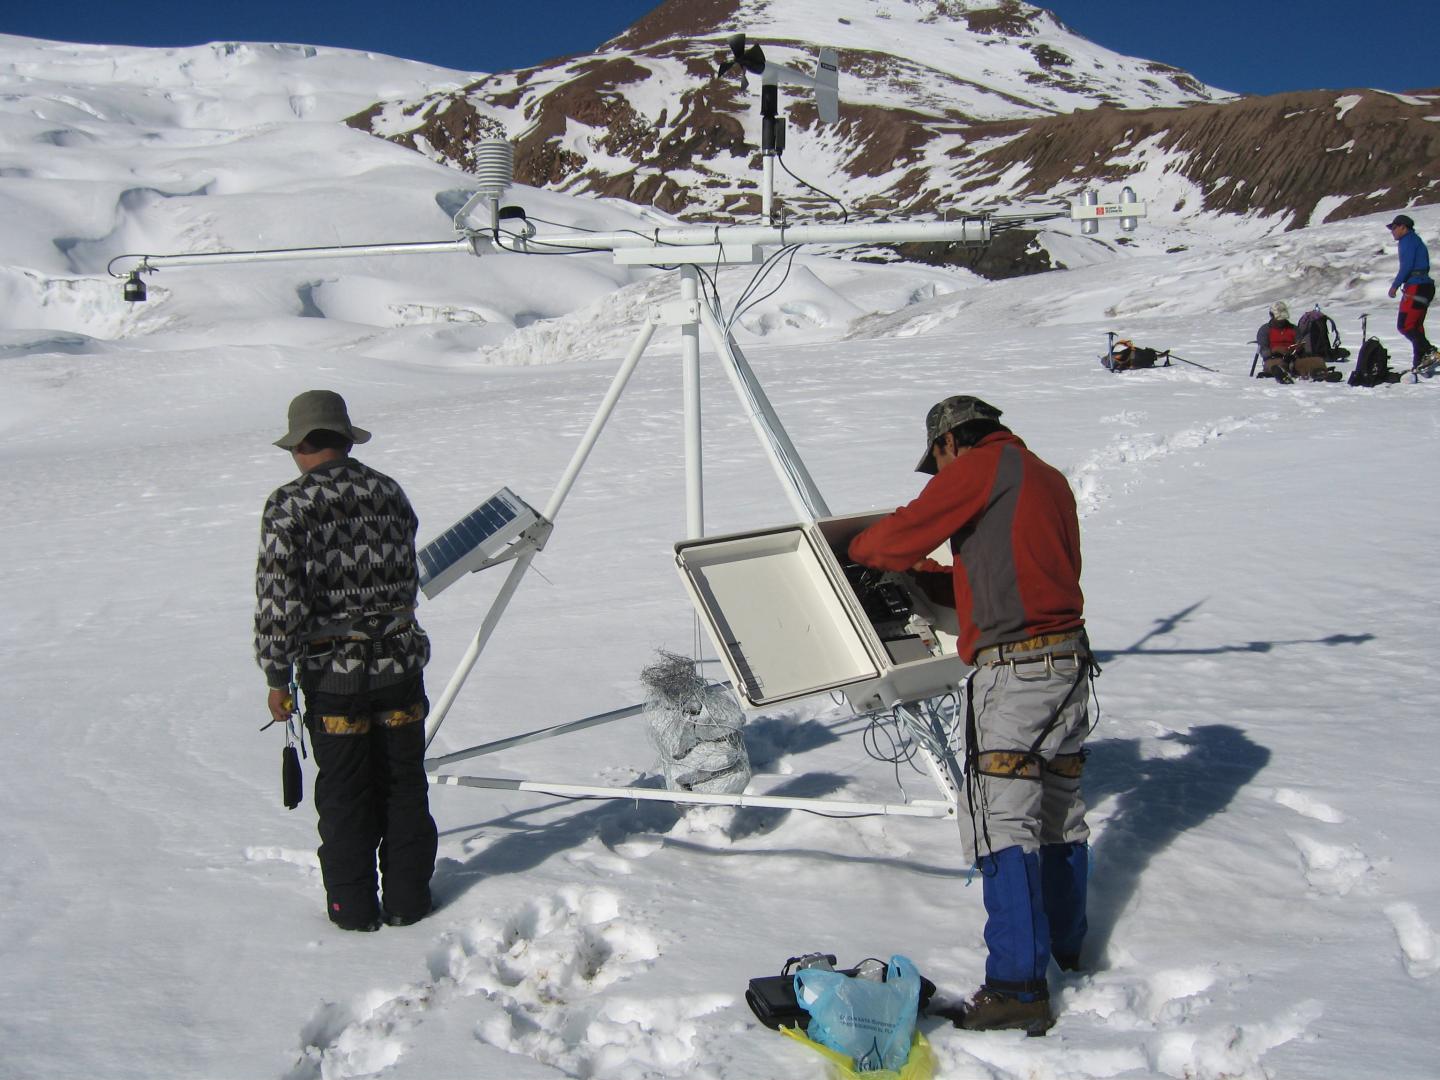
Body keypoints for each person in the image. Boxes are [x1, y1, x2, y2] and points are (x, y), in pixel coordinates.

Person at [848, 396, 1094, 1036]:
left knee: (1000, 823)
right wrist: (934, 578)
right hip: (1068, 667)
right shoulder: (1043, 475)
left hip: (1015, 674)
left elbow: (891, 538)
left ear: (952, 441)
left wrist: (863, 552)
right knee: (1059, 811)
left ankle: (1017, 987)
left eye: (939, 461)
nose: (941, 471)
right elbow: (1013, 574)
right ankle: (1068, 951)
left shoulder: (982, 466)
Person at [255, 390, 437, 932]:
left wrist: (276, 674)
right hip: (401, 666)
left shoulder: (290, 504)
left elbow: (278, 601)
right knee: (404, 786)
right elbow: (406, 576)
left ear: (304, 444)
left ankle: (353, 910)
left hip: (334, 678)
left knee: (344, 794)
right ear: (344, 439)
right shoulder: (388, 491)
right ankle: (408, 901)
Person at [1386, 215, 1437, 370]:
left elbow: (1407, 266)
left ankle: (1430, 352)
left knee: (1405, 325)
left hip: (1417, 286)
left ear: (1404, 227)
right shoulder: (1415, 240)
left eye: (1394, 228)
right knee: (1416, 326)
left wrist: (1395, 286)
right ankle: (1420, 361)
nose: (1392, 232)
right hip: (1425, 287)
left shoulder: (1407, 241)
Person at [1255, 302, 1333, 381]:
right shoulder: (1265, 330)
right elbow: (1263, 351)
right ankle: (1282, 375)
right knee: (1278, 364)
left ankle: (1319, 373)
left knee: (1318, 360)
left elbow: (1301, 344)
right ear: (1271, 315)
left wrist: (1299, 348)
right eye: (1279, 319)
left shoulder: (1294, 329)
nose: (1281, 321)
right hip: (1274, 360)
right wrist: (1275, 350)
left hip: (1293, 359)